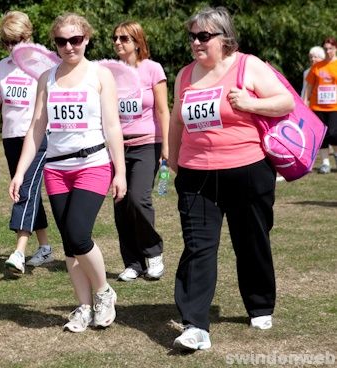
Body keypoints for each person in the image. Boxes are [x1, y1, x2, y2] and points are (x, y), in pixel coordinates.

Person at [168, 7, 294, 350]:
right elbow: (177, 121)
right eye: (192, 36)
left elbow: (285, 102)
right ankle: (195, 325)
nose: (196, 42)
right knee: (198, 247)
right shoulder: (184, 76)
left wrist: (251, 104)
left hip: (248, 168)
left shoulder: (247, 65)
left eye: (203, 36)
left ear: (225, 39)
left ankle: (259, 304)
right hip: (196, 174)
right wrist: (172, 162)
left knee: (251, 240)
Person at [9, 13, 126, 332]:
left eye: (75, 39)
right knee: (70, 244)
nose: (69, 46)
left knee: (78, 234)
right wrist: (20, 172)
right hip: (57, 169)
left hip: (93, 164)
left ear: (87, 39)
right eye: (62, 41)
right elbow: (36, 128)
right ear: (55, 43)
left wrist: (121, 172)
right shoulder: (47, 77)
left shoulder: (100, 75)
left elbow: (113, 126)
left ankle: (104, 292)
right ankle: (84, 307)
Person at [0, 11, 52, 275]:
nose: (12, 47)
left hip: (39, 138)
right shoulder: (2, 67)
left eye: (16, 41)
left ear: (28, 37)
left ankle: (19, 252)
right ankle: (44, 247)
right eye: (7, 42)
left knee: (23, 191)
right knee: (26, 190)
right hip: (11, 138)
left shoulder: (44, 67)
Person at [111, 21, 169, 281]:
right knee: (121, 202)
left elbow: (162, 110)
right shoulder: (110, 72)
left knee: (138, 198)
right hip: (117, 145)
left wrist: (166, 145)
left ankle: (153, 252)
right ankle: (133, 263)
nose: (118, 42)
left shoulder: (152, 69)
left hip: (147, 142)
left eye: (124, 38)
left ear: (137, 42)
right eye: (115, 38)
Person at [303, 37, 337, 174]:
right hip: (317, 107)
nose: (328, 51)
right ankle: (325, 163)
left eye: (330, 48)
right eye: (326, 48)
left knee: (334, 134)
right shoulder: (317, 67)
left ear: (335, 49)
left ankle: (335, 154)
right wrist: (305, 103)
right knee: (321, 136)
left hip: (334, 107)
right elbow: (309, 87)